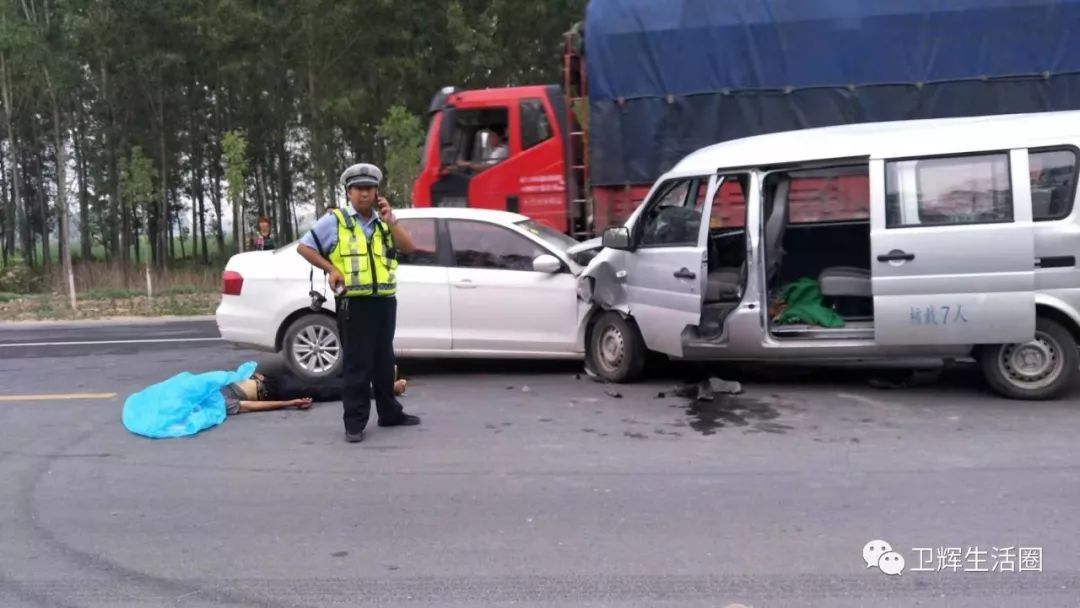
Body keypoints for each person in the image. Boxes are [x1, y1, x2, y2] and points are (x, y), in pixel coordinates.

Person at [296, 162, 420, 443]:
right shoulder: (336, 221)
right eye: (359, 189)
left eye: (370, 188)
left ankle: (390, 413)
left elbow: (409, 247)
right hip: (355, 304)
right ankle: (354, 422)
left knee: (384, 362)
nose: (365, 194)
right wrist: (330, 269)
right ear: (349, 192)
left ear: (377, 192)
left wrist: (392, 220)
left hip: (385, 302)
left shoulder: (384, 222)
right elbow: (305, 246)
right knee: (357, 365)